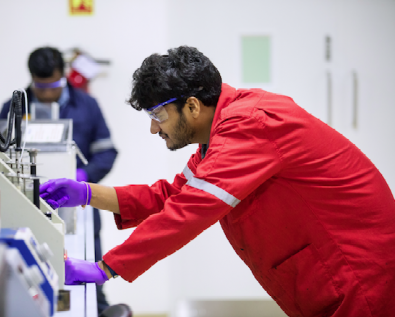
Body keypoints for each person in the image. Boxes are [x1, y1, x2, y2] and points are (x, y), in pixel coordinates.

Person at [39, 46, 395, 317]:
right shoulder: (224, 131)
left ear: (192, 106)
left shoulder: (252, 124)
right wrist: (86, 194)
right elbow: (173, 195)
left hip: (360, 276)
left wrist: (105, 268)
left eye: (157, 115)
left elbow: (187, 212)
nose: (153, 128)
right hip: (329, 274)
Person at [0, 46, 117, 314]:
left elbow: (108, 152)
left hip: (81, 209)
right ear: (31, 78)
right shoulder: (13, 108)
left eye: (54, 85)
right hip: (29, 206)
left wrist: (84, 176)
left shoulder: (87, 105)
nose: (48, 93)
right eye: (41, 86)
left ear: (63, 76)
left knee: (91, 280)